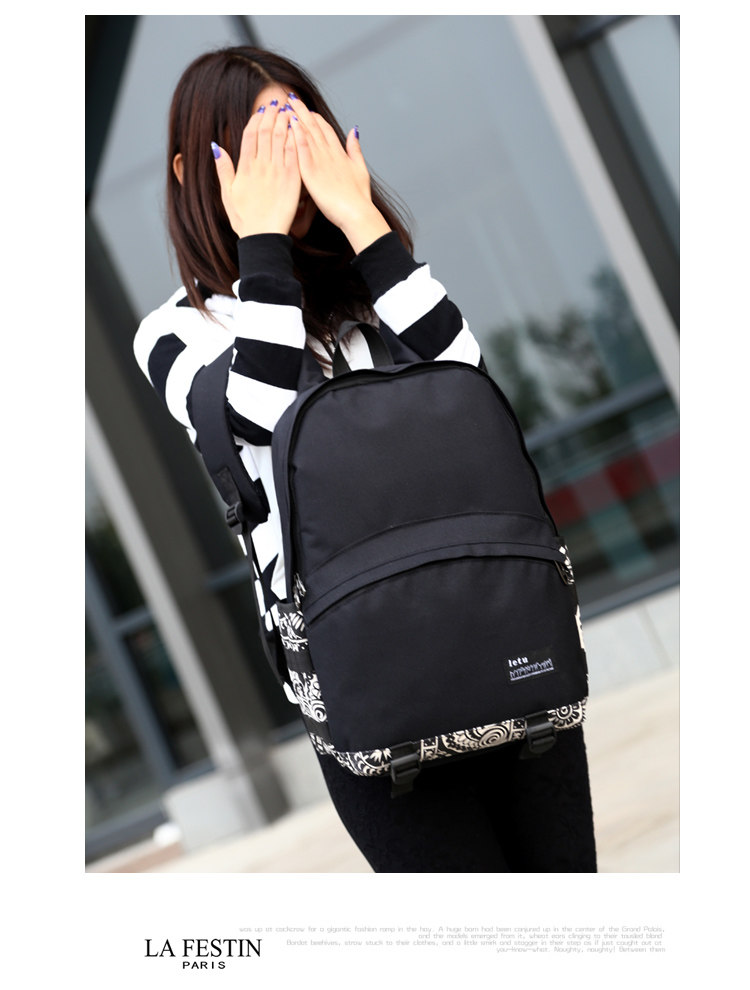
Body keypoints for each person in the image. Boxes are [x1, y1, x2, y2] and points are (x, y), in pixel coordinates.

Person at [133, 45, 597, 873]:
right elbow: (256, 421)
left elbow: (471, 384)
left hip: (501, 628)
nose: (286, 159)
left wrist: (364, 223)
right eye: (261, 141)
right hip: (367, 682)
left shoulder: (376, 285)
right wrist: (260, 240)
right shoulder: (176, 332)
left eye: (298, 130)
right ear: (194, 170)